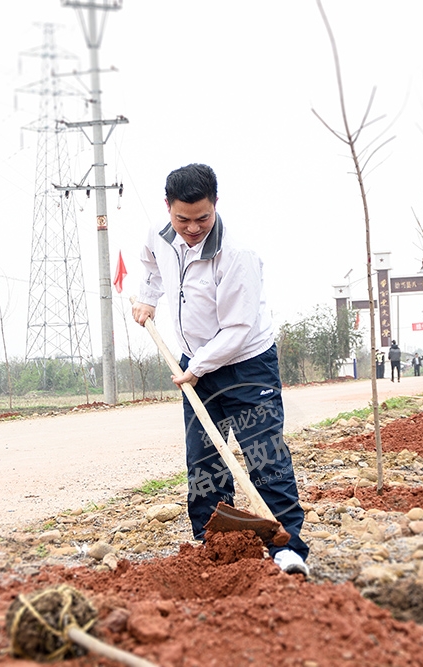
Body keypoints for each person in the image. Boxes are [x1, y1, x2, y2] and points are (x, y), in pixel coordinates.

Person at [132, 163, 310, 576]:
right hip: (195, 363)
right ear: (168, 208)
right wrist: (147, 298)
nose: (191, 229)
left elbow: (237, 328)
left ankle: (288, 551)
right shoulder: (161, 237)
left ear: (215, 205)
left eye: (201, 219)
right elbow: (151, 268)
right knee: (204, 461)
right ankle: (215, 544)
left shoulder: (237, 253)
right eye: (182, 219)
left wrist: (196, 367)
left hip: (247, 364)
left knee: (264, 455)